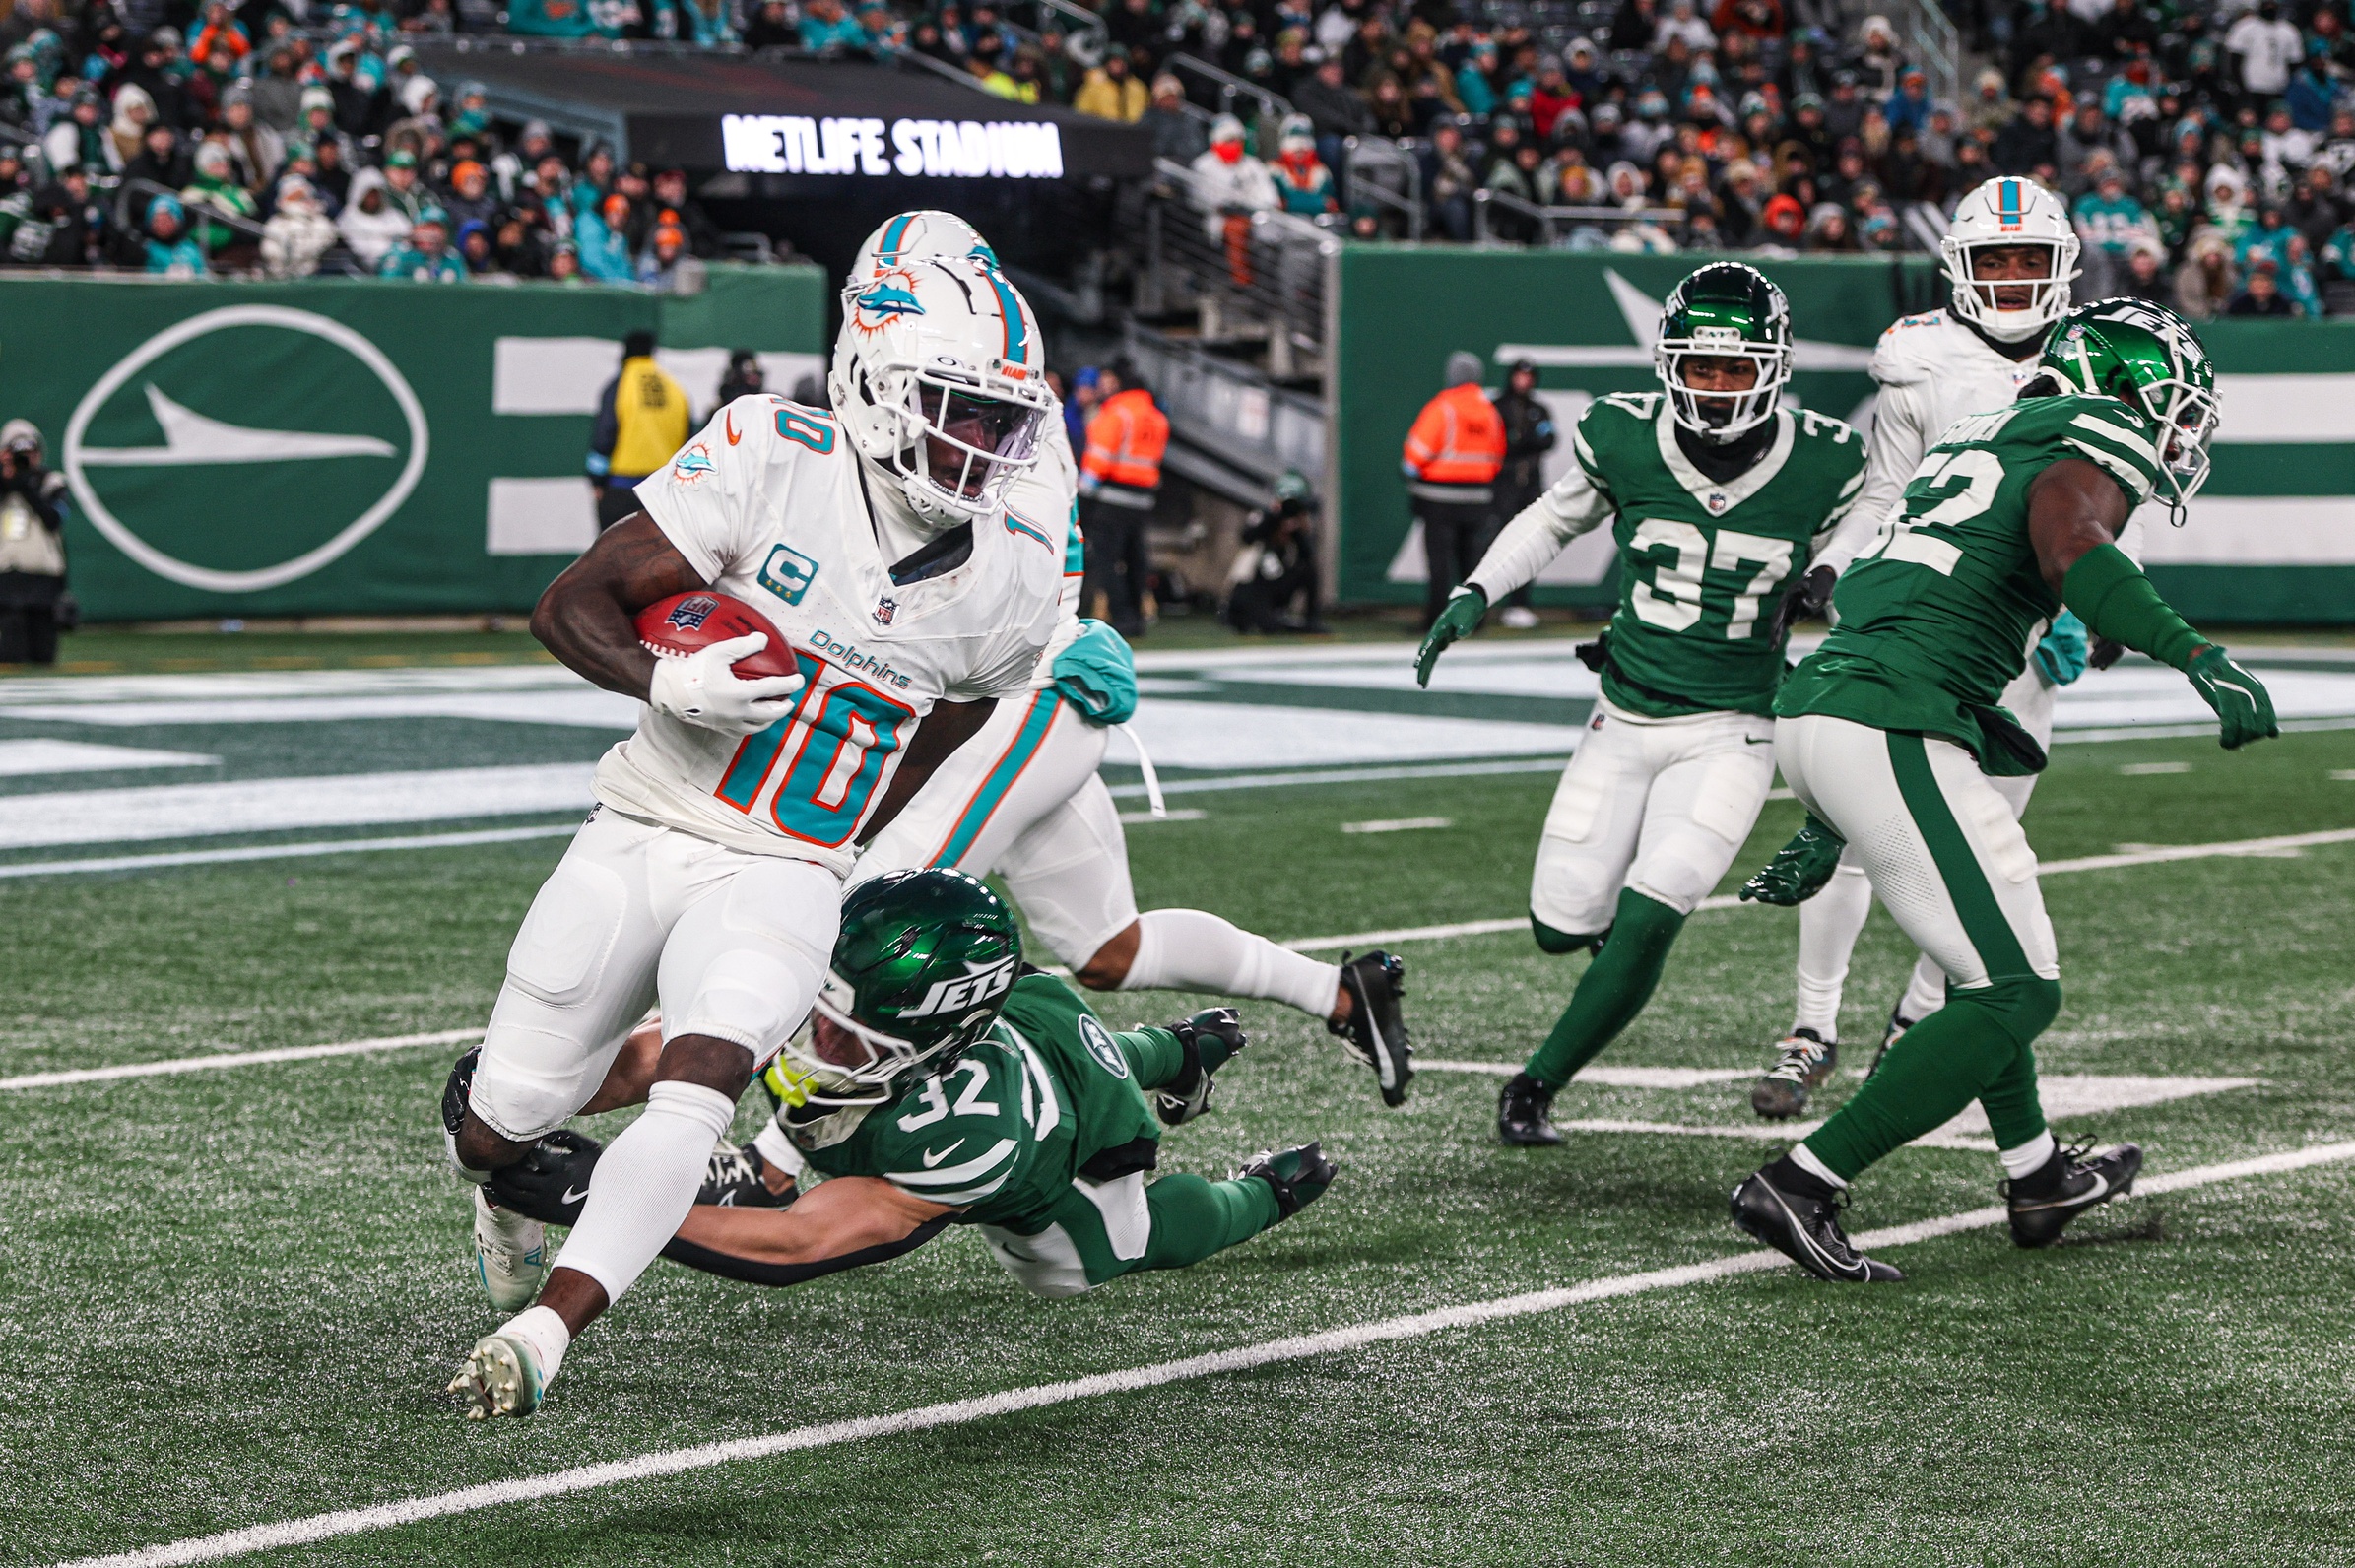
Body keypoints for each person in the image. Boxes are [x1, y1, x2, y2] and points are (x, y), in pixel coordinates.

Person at [444, 252, 1068, 1418]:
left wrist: (839, 848)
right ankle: (503, 1189)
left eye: (1001, 418)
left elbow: (951, 723)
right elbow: (567, 603)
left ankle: (547, 1329)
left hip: (785, 862)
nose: (981, 444)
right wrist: (660, 676)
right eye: (958, 409)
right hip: (644, 819)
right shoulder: (771, 454)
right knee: (500, 1121)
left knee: (701, 1083)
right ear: (875, 382)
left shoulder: (1011, 579)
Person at [1731, 299, 2274, 1281]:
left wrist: (1828, 802)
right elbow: (2074, 552)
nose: (2181, 430)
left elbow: (1892, 597)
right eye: (2173, 405)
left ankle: (2036, 1176)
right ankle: (1804, 1180)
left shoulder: (1978, 437)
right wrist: (2196, 651)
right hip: (1886, 719)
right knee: (2019, 987)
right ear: (2118, 387)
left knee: (1990, 969)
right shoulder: (2088, 434)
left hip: (1842, 700)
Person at [831, 214, 1407, 1105]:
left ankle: (775, 1155)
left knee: (868, 918)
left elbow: (945, 574)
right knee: (1109, 948)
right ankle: (1338, 994)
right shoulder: (982, 395)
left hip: (1015, 691)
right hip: (1015, 691)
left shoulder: (969, 404)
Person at [474, 872, 1337, 1354]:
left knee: (1095, 1254)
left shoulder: (970, 1134)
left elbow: (799, 1240)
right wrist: (530, 1090)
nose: (806, 1048)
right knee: (1101, 1040)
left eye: (845, 1042)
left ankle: (1261, 1194)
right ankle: (1181, 1046)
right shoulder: (848, 998)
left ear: (930, 1049)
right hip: (1042, 1024)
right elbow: (668, 1050)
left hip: (1068, 1135)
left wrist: (601, 1200)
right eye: (810, 1011)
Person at [1413, 263, 1866, 1148]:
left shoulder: (1824, 460)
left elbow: (1867, 542)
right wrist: (1475, 591)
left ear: (1772, 366)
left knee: (1655, 909)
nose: (1717, 384)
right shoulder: (1619, 433)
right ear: (1670, 361)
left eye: (1736, 369)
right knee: (1556, 927)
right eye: (1701, 365)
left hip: (1733, 728)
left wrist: (1835, 568)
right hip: (1619, 718)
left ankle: (1534, 1085)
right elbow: (1551, 518)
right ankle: (1611, 955)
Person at [1752, 176, 2103, 1118]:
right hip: (1918, 622)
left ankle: (1913, 1021)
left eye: (2032, 259)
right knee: (1861, 834)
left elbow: (2120, 499)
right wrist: (1831, 566)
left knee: (1986, 846)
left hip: (2022, 642)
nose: (2016, 277)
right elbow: (1884, 493)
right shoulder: (1920, 358)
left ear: (2063, 265)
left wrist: (2106, 603)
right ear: (1960, 266)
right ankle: (1809, 1028)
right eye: (1997, 260)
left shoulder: (2098, 355)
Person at [1402, 351, 1505, 631]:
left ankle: (1436, 618)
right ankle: (1475, 620)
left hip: (1439, 500)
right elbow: (1497, 458)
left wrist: (1412, 471)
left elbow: (1415, 456)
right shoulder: (1490, 413)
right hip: (1478, 499)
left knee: (1440, 564)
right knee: (1472, 563)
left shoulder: (1442, 408)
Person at [1078, 359, 1167, 638]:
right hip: (1143, 499)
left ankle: (1123, 615)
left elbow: (1099, 457)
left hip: (1112, 497)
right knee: (1135, 558)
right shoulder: (1156, 416)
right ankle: (1137, 617)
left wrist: (1083, 491)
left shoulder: (1117, 413)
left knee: (1105, 559)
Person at [585, 330, 689, 531]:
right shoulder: (675, 388)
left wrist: (596, 479)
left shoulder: (620, 386)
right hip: (663, 494)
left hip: (621, 491)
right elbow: (689, 440)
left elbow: (604, 435)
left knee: (614, 560)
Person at [1487, 359, 1554, 630]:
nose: (1523, 382)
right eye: (1519, 376)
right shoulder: (1496, 406)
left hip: (1530, 486)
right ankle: (1487, 601)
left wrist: (1520, 442)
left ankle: (1519, 603)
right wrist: (1520, 443)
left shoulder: (1539, 409)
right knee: (1496, 544)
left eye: (1528, 377)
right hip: (1502, 486)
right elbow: (1500, 444)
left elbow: (1548, 439)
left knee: (1528, 545)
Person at [0, 420, 69, 665]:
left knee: (43, 656)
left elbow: (54, 519)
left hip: (43, 571)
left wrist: (28, 486)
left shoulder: (52, 482)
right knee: (10, 653)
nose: (25, 459)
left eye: (30, 452)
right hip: (7, 571)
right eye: (18, 453)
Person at [1224, 469, 1325, 634]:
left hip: (1276, 588)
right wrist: (1273, 517)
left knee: (1309, 571)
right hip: (1252, 589)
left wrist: (1297, 529)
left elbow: (1307, 556)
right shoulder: (1262, 517)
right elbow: (1247, 537)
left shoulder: (1297, 527)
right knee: (1270, 627)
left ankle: (1311, 619)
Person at [1188, 114, 1277, 289]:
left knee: (1271, 231)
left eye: (1237, 140)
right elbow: (1200, 198)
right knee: (1236, 229)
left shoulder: (1252, 164)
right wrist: (1227, 204)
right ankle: (1241, 281)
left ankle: (1269, 285)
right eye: (1229, 140)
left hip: (1253, 214)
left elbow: (1268, 195)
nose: (1234, 145)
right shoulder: (1203, 165)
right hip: (1221, 217)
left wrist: (1251, 206)